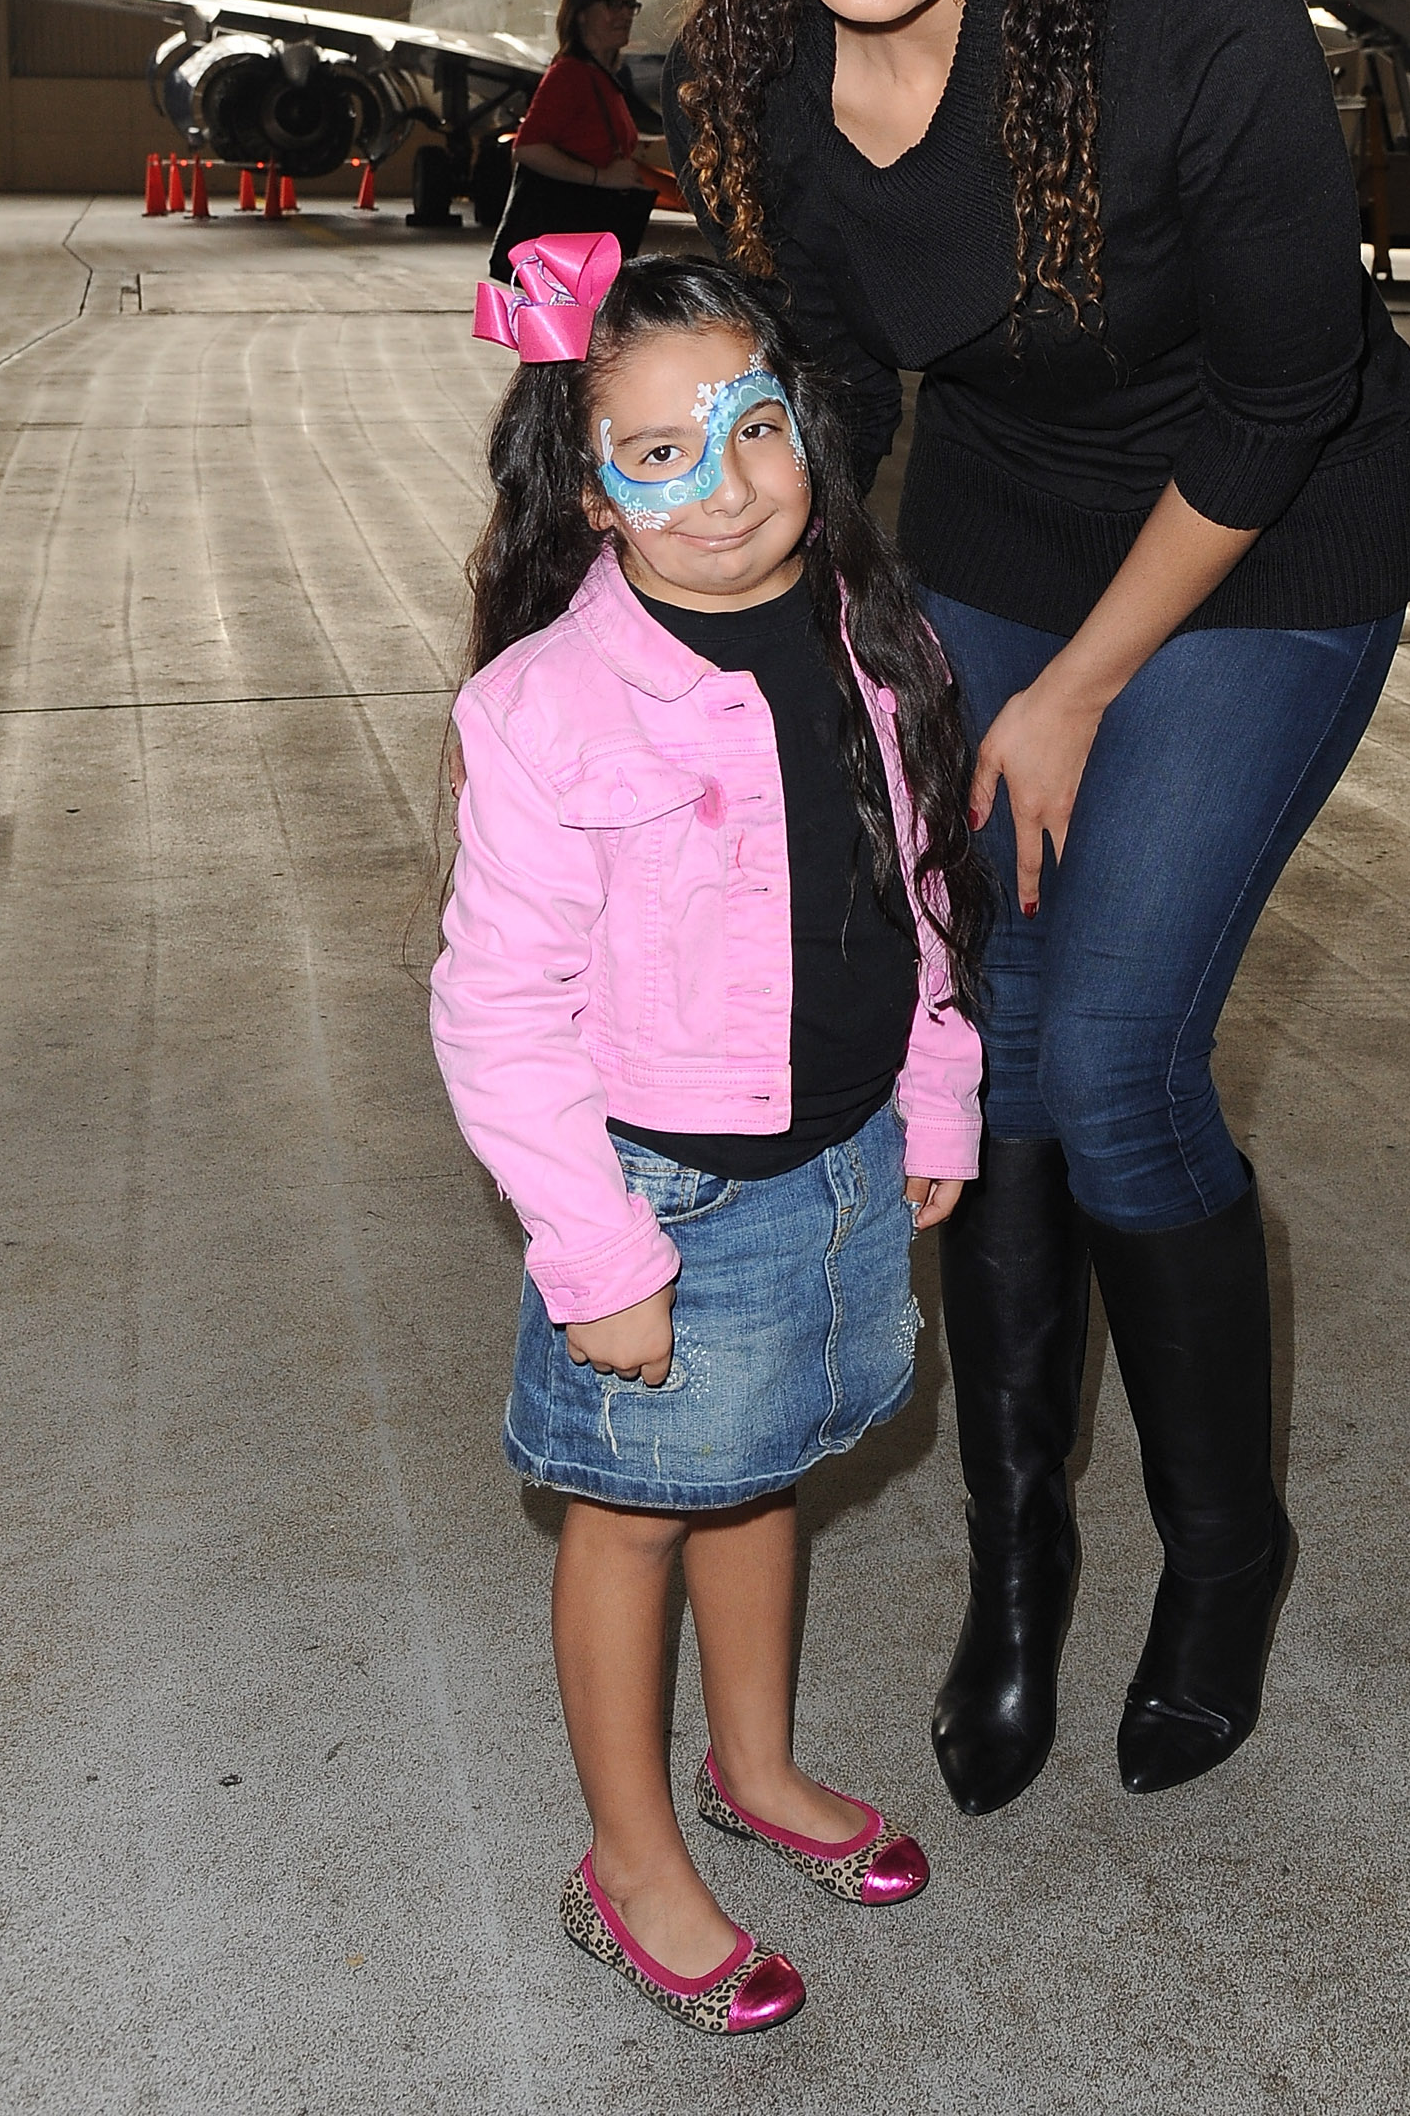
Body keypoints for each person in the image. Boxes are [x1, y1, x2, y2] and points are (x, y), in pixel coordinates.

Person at [663, 0, 1410, 1812]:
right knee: (973, 1058)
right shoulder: (749, 52)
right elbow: (827, 377)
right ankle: (1021, 1568)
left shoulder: (1185, 13)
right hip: (1004, 515)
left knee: (1110, 1060)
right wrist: (730, 610)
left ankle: (1225, 1550)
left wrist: (1079, 684)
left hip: (1265, 527)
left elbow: (1283, 390)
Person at [431, 239, 993, 2036]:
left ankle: (754, 1768)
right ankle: (630, 1858)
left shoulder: (873, 640)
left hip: (838, 1162)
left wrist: (937, 1084)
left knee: (764, 1471)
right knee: (631, 1520)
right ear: (588, 491)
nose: (727, 486)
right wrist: (597, 1254)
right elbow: (495, 1010)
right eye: (659, 453)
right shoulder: (543, 709)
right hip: (659, 1197)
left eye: (753, 427)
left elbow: (915, 886)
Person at [487, 0, 666, 282]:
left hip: (585, 251)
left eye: (630, 5)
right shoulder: (570, 75)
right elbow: (527, 149)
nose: (625, 14)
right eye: (613, 4)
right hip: (571, 252)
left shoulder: (601, 78)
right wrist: (602, 178)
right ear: (581, 12)